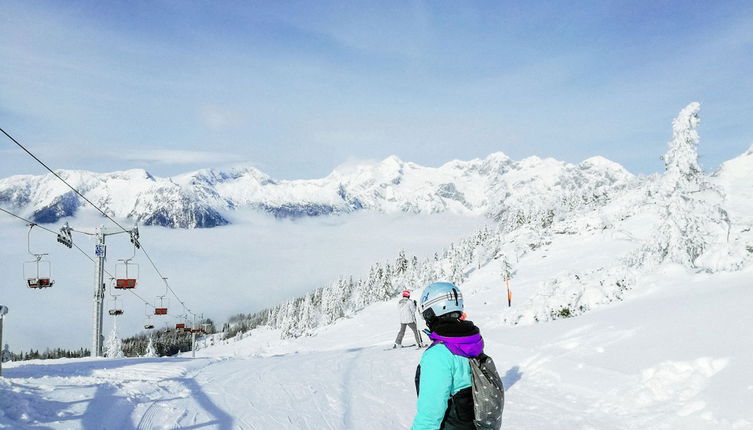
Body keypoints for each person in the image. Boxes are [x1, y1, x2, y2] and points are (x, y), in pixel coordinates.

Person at [411, 282, 483, 430]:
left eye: (426, 314)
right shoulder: (470, 342)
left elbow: (429, 415)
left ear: (431, 313)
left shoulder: (438, 355)